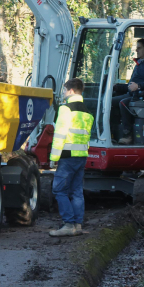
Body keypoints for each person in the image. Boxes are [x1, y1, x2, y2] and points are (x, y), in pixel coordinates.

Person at [48, 78, 94, 237]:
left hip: (67, 156)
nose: (63, 93)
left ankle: (68, 224)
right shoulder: (87, 112)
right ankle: (77, 225)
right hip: (81, 156)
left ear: (71, 91)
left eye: (64, 90)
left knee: (59, 189)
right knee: (76, 191)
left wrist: (54, 156)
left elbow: (60, 134)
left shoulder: (65, 109)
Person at [111, 38, 144, 145]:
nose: (137, 51)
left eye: (139, 48)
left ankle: (127, 134)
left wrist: (139, 86)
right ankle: (112, 133)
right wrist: (117, 87)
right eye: (136, 48)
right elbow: (131, 86)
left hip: (143, 96)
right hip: (133, 93)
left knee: (123, 103)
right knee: (109, 102)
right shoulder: (140, 63)